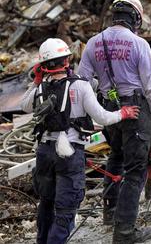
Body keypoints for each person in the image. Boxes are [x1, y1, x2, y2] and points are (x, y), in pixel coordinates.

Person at [21, 38, 140, 244]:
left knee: (46, 204)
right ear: (67, 60)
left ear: (42, 65)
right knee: (66, 210)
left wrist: (36, 80)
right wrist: (124, 113)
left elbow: (24, 106)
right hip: (69, 155)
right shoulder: (80, 86)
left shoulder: (39, 89)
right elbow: (102, 117)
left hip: (45, 153)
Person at [78, 0, 151, 243]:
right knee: (136, 169)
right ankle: (125, 231)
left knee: (115, 156)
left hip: (110, 109)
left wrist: (102, 90)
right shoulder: (139, 44)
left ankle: (110, 212)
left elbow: (82, 82)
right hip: (136, 110)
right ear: (135, 17)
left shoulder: (93, 43)